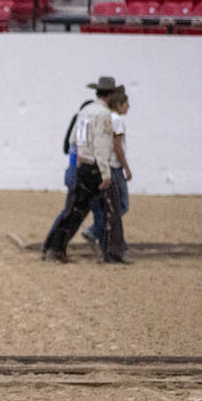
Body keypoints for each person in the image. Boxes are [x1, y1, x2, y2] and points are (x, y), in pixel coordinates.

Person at [42, 75, 128, 264]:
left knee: (74, 210)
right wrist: (105, 174)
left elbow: (76, 140)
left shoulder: (86, 111)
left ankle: (54, 247)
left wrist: (80, 161)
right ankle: (113, 253)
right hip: (96, 167)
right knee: (111, 212)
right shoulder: (104, 115)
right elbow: (101, 146)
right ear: (111, 95)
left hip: (83, 166)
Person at [41, 95, 95, 255]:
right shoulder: (85, 126)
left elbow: (67, 147)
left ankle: (51, 244)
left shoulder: (77, 124)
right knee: (74, 211)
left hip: (73, 171)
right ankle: (55, 246)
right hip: (81, 171)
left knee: (70, 210)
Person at [86, 88, 132, 247]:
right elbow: (117, 147)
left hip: (103, 164)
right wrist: (126, 167)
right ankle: (98, 232)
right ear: (119, 104)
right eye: (126, 103)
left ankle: (101, 234)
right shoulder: (117, 121)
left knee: (106, 205)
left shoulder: (103, 116)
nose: (129, 106)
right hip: (114, 166)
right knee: (121, 205)